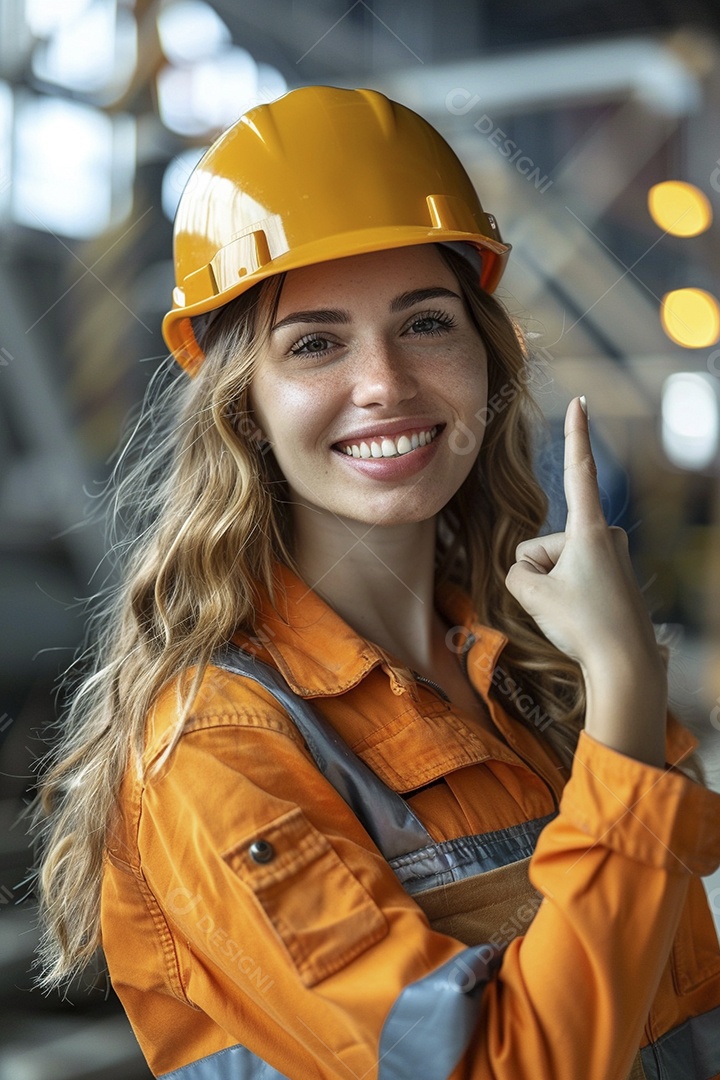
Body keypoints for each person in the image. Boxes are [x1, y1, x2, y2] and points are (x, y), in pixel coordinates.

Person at [34, 86, 720, 1080]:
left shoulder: (530, 675)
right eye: (315, 342)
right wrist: (625, 689)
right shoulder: (219, 750)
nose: (387, 384)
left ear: (486, 360)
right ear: (243, 404)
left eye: (426, 323)